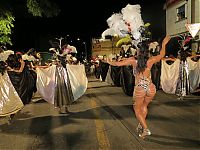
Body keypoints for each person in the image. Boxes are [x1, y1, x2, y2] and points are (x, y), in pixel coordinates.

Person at [105, 35, 171, 139]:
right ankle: (141, 123)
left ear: (138, 51)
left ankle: (146, 129)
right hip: (150, 88)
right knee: (144, 106)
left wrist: (109, 61)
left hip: (140, 88)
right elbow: (162, 54)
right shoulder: (151, 60)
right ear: (147, 52)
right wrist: (164, 44)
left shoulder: (133, 61)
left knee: (136, 109)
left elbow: (117, 64)